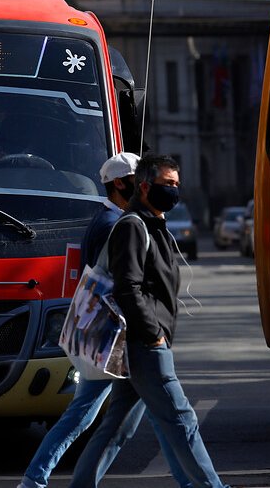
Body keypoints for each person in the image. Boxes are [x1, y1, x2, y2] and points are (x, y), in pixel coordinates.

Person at [18, 153, 190, 488]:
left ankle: (40, 479)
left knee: (147, 417)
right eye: (137, 179)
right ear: (121, 184)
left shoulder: (113, 219)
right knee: (92, 415)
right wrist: (150, 328)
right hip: (115, 338)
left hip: (121, 338)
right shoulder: (116, 224)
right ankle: (34, 479)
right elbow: (122, 285)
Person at [67, 155, 228, 488]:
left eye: (176, 185)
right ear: (143, 186)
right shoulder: (132, 226)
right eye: (168, 184)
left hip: (141, 343)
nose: (174, 190)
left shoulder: (153, 224)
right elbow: (129, 287)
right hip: (144, 344)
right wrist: (153, 335)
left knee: (118, 426)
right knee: (182, 419)